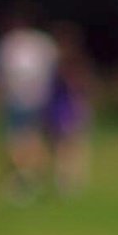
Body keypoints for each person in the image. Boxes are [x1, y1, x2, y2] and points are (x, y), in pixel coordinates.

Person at [0, 10, 58, 198]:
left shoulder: (29, 43)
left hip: (35, 99)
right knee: (21, 140)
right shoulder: (11, 44)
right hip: (19, 99)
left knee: (26, 140)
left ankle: (28, 177)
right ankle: (25, 177)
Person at [42, 22, 95, 195]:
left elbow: (78, 88)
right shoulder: (58, 63)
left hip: (69, 109)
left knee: (69, 147)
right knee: (65, 147)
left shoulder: (69, 63)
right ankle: (67, 182)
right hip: (60, 109)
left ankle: (69, 183)